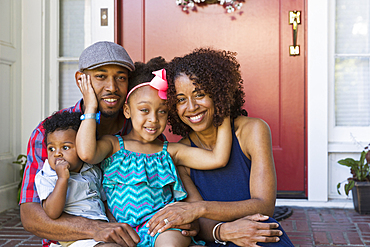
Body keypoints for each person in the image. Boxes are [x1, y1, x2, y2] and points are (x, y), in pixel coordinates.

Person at [75, 57, 232, 247]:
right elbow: (86, 153)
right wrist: (91, 107)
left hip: (163, 227)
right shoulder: (113, 145)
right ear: (127, 110)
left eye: (162, 111)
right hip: (123, 231)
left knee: (170, 244)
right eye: (144, 110)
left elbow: (218, 158)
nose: (153, 119)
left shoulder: (170, 151)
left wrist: (223, 107)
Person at [147, 48, 295, 246]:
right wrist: (224, 231)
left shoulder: (252, 131)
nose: (191, 107)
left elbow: (264, 205)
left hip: (258, 234)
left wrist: (199, 209)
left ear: (218, 94)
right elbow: (199, 225)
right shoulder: (181, 153)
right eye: (181, 99)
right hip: (218, 239)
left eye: (199, 94)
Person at [20, 41, 142, 247]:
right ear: (81, 80)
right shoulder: (51, 134)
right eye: (101, 77)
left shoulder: (140, 131)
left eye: (120, 78)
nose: (112, 87)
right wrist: (96, 228)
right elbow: (31, 215)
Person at [35, 111, 119, 247]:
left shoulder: (92, 170)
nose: (57, 153)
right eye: (51, 148)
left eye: (65, 147)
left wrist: (113, 222)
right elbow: (52, 212)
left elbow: (103, 201)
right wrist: (62, 179)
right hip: (73, 236)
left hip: (100, 230)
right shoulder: (47, 176)